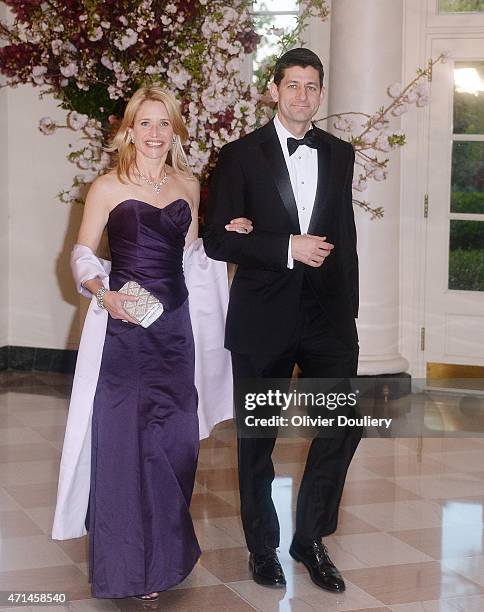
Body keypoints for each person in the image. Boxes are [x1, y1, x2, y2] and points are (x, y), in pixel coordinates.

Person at [52, 86, 248, 599]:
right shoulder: (107, 187)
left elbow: (192, 259)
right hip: (125, 331)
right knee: (125, 445)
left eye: (164, 124)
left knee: (176, 444)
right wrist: (104, 292)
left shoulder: (186, 184)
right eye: (145, 123)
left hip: (176, 332)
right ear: (129, 130)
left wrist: (227, 234)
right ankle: (129, 569)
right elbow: (80, 253)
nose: (155, 133)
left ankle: (167, 557)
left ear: (175, 130)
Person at [203, 48, 362, 593]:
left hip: (327, 315)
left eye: (311, 86)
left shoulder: (341, 153)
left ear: (321, 93)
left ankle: (311, 538)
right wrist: (286, 246)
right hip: (264, 313)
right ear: (274, 89)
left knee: (344, 422)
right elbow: (218, 239)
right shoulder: (239, 155)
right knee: (258, 438)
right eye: (291, 85)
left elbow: (346, 236)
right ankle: (262, 547)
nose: (301, 96)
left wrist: (350, 312)